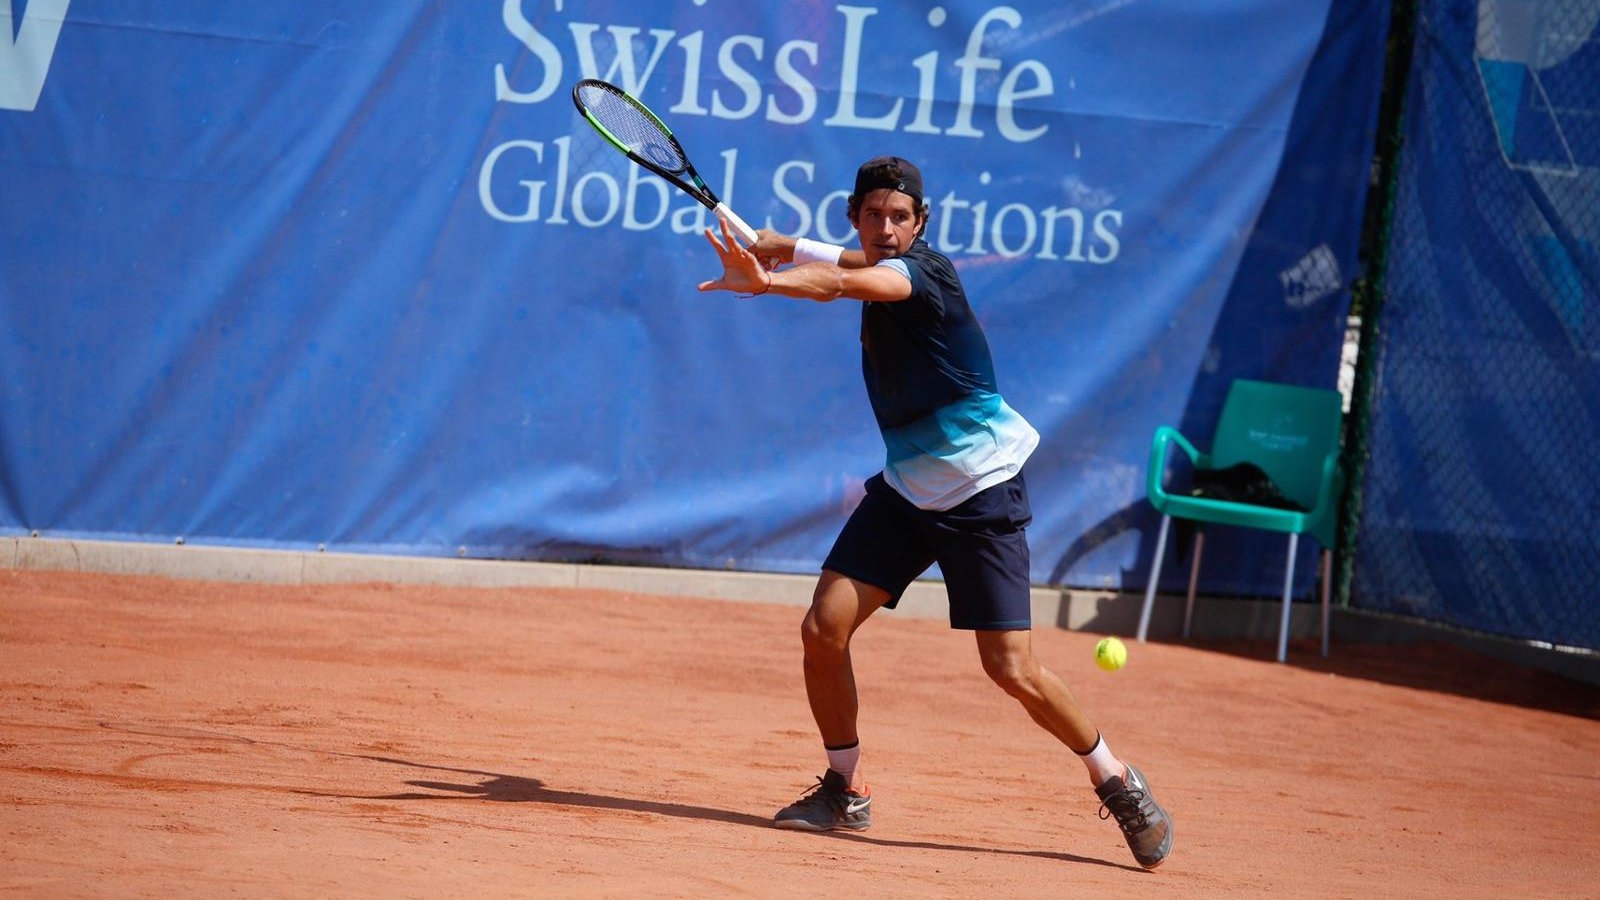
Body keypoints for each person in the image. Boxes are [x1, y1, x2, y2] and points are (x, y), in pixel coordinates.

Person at [697, 156, 1173, 869]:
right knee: (823, 628)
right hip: (908, 491)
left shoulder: (924, 274)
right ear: (855, 217)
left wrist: (770, 280)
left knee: (1010, 669)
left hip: (981, 490)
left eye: (900, 217)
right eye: (873, 215)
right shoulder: (873, 254)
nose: (886, 228)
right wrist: (784, 244)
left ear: (920, 225)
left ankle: (1117, 778)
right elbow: (846, 262)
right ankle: (845, 787)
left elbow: (846, 280)